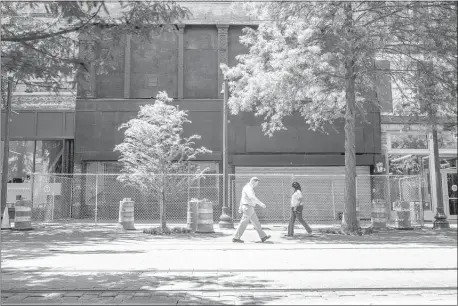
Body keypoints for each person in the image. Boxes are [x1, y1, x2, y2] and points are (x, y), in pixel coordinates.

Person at [233, 177, 271, 243]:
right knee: (243, 223)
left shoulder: (247, 188)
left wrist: (240, 207)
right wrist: (261, 204)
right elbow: (252, 197)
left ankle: (263, 236)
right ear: (253, 182)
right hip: (248, 207)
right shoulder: (248, 188)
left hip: (249, 207)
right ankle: (236, 238)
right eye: (257, 183)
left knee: (256, 223)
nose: (257, 184)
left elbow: (242, 198)